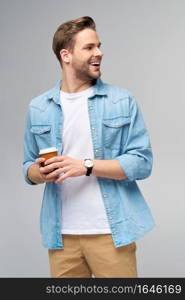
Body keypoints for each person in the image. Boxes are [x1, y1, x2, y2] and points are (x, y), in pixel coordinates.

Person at [23, 16, 155, 278]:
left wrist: (85, 166)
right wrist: (41, 172)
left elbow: (142, 162)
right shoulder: (38, 108)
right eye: (89, 47)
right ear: (66, 55)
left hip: (111, 232)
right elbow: (28, 168)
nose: (99, 53)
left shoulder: (121, 101)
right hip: (61, 237)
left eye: (99, 46)